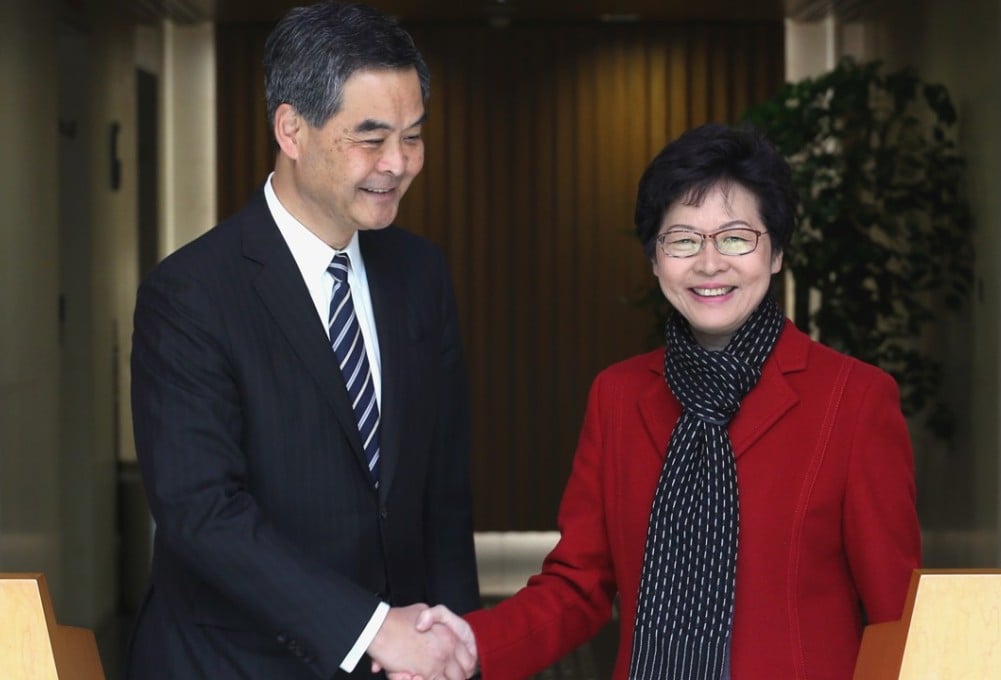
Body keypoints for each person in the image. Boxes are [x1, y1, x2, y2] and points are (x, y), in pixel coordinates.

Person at [414, 123, 921, 680]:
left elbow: (896, 615)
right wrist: (471, 642)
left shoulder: (854, 400)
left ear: (776, 252)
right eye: (682, 239)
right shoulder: (618, 395)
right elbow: (579, 586)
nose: (708, 263)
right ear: (655, 260)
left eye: (735, 238)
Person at [126, 2, 480, 678]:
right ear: (291, 128)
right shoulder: (192, 294)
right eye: (370, 138)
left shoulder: (420, 274)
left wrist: (454, 647)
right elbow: (203, 514)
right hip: (233, 662)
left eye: (413, 136)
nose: (399, 163)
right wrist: (373, 630)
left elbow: (443, 490)